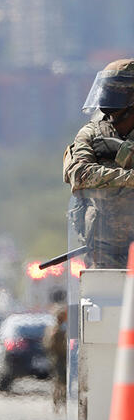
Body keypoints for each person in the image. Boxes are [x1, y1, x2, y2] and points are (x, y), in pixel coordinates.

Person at [63, 59, 134, 268]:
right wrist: (130, 177)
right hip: (103, 255)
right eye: (108, 89)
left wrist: (113, 166)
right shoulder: (92, 133)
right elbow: (79, 175)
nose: (108, 97)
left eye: (117, 91)